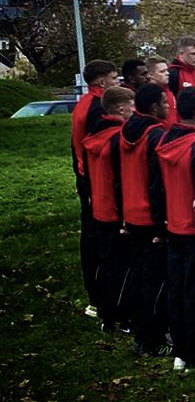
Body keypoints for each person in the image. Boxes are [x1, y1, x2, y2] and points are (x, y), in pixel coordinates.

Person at [156, 88, 195, 374]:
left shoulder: (166, 140)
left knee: (177, 292)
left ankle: (180, 351)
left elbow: (155, 185)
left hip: (172, 227)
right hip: (193, 231)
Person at [116, 82, 171, 358]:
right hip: (150, 216)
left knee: (139, 274)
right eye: (164, 102)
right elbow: (157, 183)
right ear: (153, 108)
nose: (168, 106)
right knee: (154, 280)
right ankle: (151, 338)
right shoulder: (156, 135)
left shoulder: (126, 130)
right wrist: (162, 224)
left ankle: (140, 329)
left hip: (132, 213)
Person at [82, 85, 135, 332]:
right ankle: (119, 317)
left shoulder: (94, 134)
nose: (134, 109)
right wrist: (126, 215)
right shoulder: (118, 137)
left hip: (98, 208)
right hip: (115, 211)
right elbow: (120, 179)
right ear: (121, 108)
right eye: (132, 104)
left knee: (106, 263)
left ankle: (105, 311)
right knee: (121, 266)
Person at [71, 59, 119, 318]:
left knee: (93, 238)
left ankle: (99, 297)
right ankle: (99, 298)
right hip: (94, 181)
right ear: (101, 81)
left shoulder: (83, 104)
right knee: (97, 240)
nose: (117, 81)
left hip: (86, 178)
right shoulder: (96, 108)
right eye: (113, 77)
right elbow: (93, 147)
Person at [146, 57, 178, 128]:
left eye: (167, 70)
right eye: (162, 71)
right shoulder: (148, 95)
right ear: (150, 75)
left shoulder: (168, 91)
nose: (167, 73)